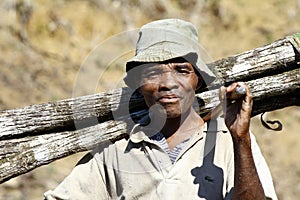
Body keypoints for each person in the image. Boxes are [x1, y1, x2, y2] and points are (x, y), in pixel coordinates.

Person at [44, 19, 277, 199]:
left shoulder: (229, 142)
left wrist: (241, 139)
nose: (167, 83)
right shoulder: (116, 151)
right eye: (153, 72)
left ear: (198, 80)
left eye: (182, 70)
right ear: (139, 84)